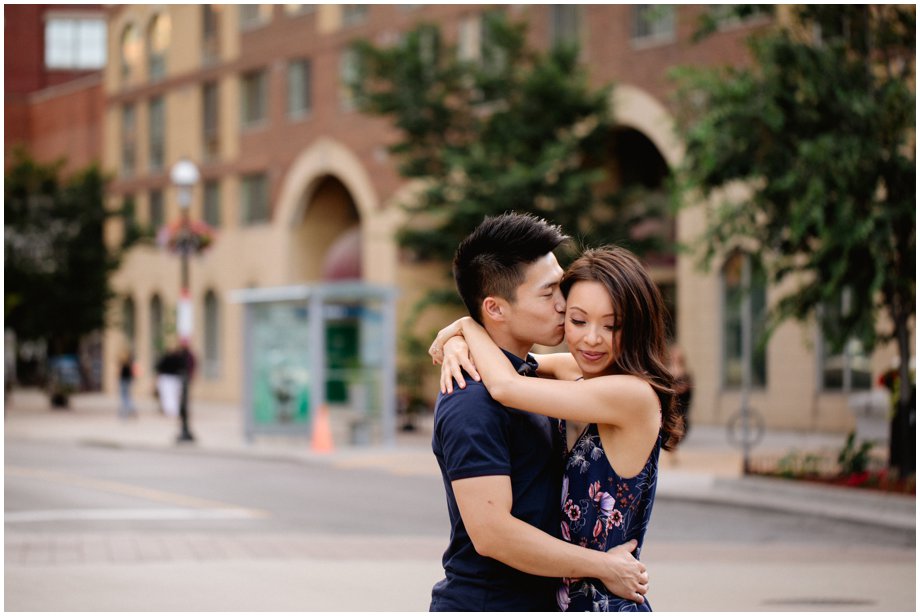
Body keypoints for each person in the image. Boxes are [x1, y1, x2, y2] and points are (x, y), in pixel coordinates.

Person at [431, 245, 683, 611]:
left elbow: (508, 385)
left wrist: (467, 326)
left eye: (611, 325)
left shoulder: (631, 393)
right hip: (572, 597)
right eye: (578, 321)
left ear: (636, 325)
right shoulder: (590, 373)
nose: (591, 339)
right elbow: (522, 364)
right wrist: (457, 340)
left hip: (604, 599)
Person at [668, 343, 693, 436]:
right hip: (670, 410)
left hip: (681, 408)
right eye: (673, 354)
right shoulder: (667, 370)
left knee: (675, 438)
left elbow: (685, 389)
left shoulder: (686, 373)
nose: (674, 356)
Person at [118, 350, 137, 418]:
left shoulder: (124, 363)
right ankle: (130, 408)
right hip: (128, 380)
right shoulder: (129, 362)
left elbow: (120, 373)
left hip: (124, 381)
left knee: (124, 397)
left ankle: (126, 411)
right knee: (127, 396)